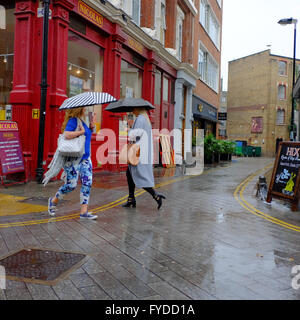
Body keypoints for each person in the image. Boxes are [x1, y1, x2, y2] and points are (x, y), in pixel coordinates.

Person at [47, 107, 97, 220]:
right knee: (71, 185)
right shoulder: (73, 120)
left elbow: (87, 137)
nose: (86, 110)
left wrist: (91, 127)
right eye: (84, 108)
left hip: (86, 159)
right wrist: (81, 132)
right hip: (73, 160)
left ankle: (84, 212)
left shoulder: (84, 121)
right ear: (79, 109)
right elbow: (67, 135)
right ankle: (53, 200)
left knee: (87, 184)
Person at [122, 107, 166, 210]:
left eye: (134, 109)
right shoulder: (143, 119)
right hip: (141, 151)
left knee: (139, 176)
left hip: (139, 152)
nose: (133, 110)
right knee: (130, 174)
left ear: (138, 109)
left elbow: (134, 135)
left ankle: (156, 195)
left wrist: (129, 129)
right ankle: (131, 199)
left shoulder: (140, 119)